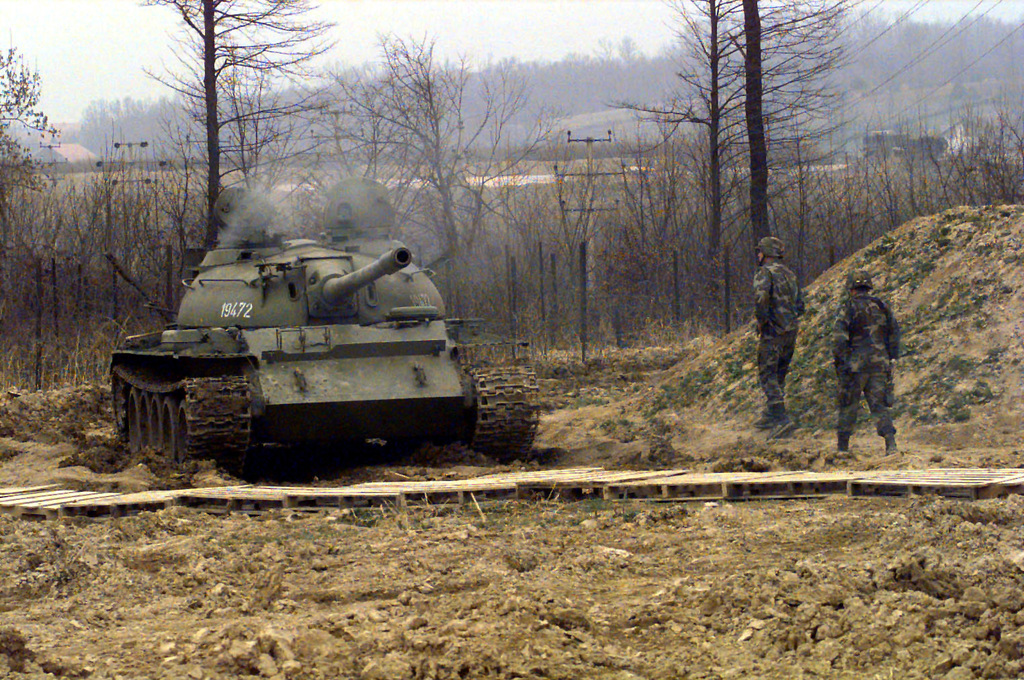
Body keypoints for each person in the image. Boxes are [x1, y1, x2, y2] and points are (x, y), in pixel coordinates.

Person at [832, 270, 901, 453]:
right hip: (879, 364)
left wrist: (841, 364)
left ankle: (842, 448)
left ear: (852, 289)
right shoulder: (881, 305)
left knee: (848, 406)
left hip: (855, 367)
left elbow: (839, 339)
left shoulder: (848, 307)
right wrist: (892, 357)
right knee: (879, 406)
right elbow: (894, 332)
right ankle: (891, 444)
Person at [752, 236, 805, 437]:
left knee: (767, 373)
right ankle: (770, 413)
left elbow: (760, 299)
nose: (758, 255)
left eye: (759, 252)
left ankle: (781, 418)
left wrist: (761, 321)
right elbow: (801, 304)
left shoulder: (764, 273)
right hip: (791, 331)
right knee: (780, 373)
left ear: (765, 254)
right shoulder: (790, 274)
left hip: (773, 331)